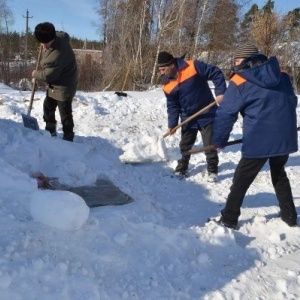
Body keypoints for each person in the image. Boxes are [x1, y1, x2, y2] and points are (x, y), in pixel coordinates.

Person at [211, 44, 298, 229]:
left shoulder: (240, 80)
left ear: (248, 60)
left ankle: (229, 218)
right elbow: (292, 100)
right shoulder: (282, 75)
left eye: (237, 60)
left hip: (259, 138)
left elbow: (226, 113)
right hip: (285, 136)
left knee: (242, 178)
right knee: (279, 173)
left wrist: (218, 140)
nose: (234, 64)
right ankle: (290, 216)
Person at [158, 51, 226, 182]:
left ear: (171, 65)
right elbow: (173, 105)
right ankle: (182, 168)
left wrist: (220, 92)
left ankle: (212, 170)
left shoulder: (193, 66)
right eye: (160, 70)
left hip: (207, 112)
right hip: (188, 116)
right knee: (185, 144)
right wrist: (172, 124)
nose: (161, 73)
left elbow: (216, 73)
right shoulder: (166, 84)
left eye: (163, 69)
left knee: (210, 144)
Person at [32, 22, 78, 142]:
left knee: (65, 114)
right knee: (48, 106)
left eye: (43, 42)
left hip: (64, 86)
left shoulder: (57, 54)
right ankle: (50, 129)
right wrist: (46, 43)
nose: (42, 45)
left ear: (48, 41)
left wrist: (35, 74)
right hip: (55, 85)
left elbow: (49, 76)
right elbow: (61, 33)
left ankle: (68, 136)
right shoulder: (59, 37)